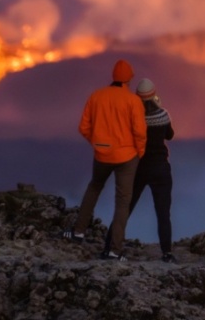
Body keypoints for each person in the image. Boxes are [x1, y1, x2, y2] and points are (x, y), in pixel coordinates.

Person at [63, 58, 146, 262]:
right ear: (129, 78)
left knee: (94, 187)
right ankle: (114, 251)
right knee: (122, 201)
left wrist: (98, 143)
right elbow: (140, 132)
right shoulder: (133, 101)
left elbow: (83, 127)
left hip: (101, 154)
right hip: (127, 156)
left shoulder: (96, 96)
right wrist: (140, 152)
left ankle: (79, 231)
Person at [117, 78, 177, 263]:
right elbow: (170, 135)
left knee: (125, 208)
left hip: (139, 168)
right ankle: (167, 252)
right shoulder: (162, 115)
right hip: (160, 168)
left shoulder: (133, 118)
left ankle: (110, 247)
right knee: (163, 212)